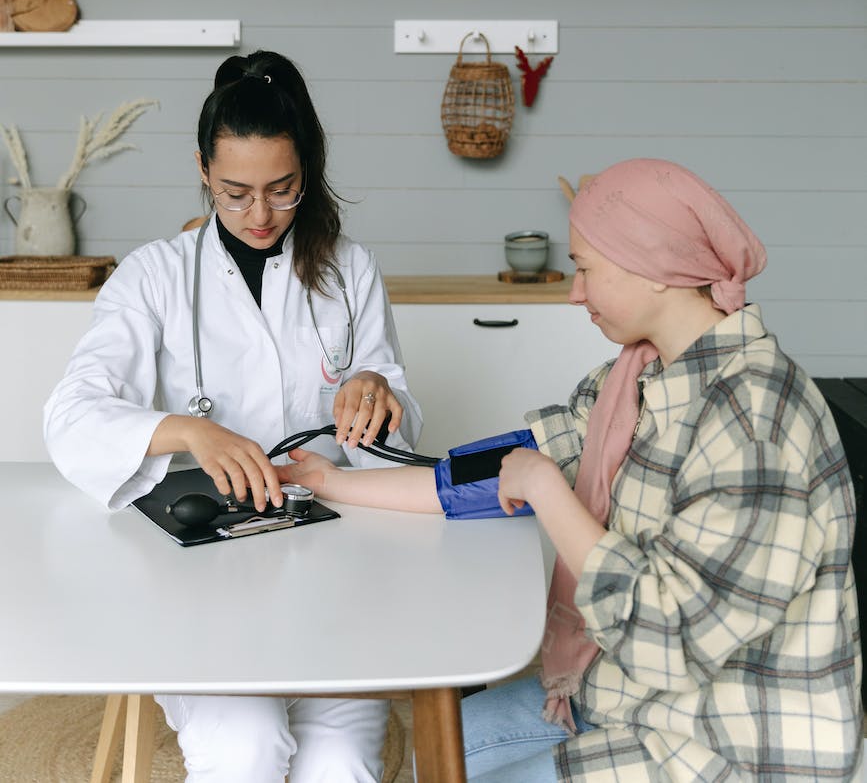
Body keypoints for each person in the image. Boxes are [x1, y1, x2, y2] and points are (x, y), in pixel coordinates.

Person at [286, 158, 863, 782]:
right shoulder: (634, 378)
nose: (574, 291)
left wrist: (546, 491)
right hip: (627, 694)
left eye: (586, 268)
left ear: (658, 268)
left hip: (728, 738)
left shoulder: (755, 419)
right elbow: (496, 467)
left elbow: (670, 639)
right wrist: (335, 482)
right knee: (439, 750)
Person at [44, 49, 423, 783]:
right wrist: (187, 429)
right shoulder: (152, 274)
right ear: (201, 171)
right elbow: (73, 414)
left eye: (282, 191)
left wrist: (377, 391)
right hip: (197, 572)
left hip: (335, 559)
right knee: (243, 751)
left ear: (305, 170)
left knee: (339, 761)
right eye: (235, 192)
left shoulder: (350, 270)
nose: (259, 215)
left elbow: (397, 432)